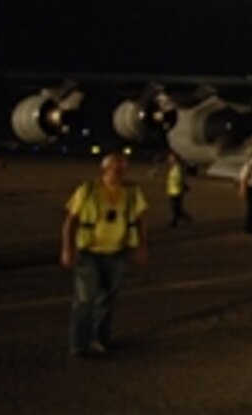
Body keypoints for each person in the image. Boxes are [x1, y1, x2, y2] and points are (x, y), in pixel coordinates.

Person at [60, 152, 148, 357]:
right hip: (89, 252)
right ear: (104, 170)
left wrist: (142, 246)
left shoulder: (132, 192)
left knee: (107, 299)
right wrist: (67, 248)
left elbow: (142, 219)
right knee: (85, 299)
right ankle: (79, 345)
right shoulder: (87, 190)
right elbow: (70, 222)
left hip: (117, 252)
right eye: (114, 168)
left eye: (122, 168)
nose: (118, 172)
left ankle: (100, 339)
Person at [164, 151, 192, 227]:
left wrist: (184, 186)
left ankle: (176, 221)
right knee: (176, 208)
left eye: (171, 158)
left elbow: (179, 179)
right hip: (172, 190)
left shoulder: (177, 168)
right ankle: (182, 219)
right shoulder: (174, 168)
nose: (169, 159)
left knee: (176, 208)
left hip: (176, 190)